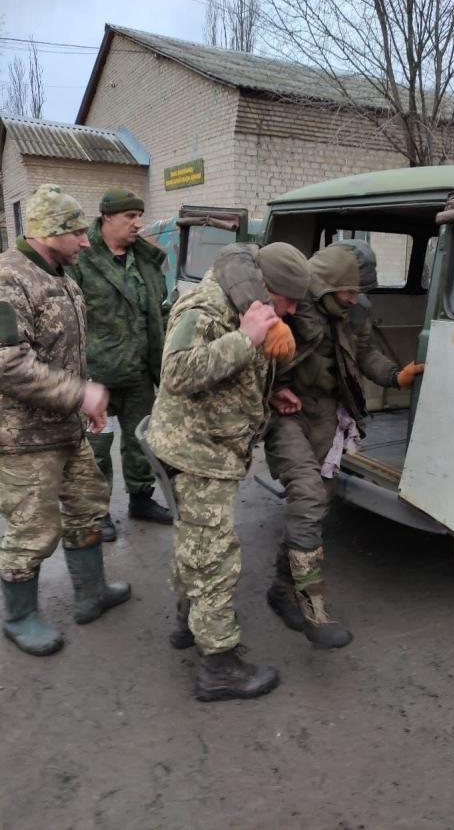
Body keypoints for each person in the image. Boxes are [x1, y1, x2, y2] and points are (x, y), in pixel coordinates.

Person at [145, 241, 310, 702]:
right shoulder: (207, 306)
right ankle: (219, 667)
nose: (293, 310)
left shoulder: (251, 305)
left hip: (211, 447)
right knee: (216, 558)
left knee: (196, 543)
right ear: (267, 284)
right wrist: (246, 340)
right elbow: (177, 372)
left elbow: (231, 375)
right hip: (197, 452)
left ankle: (187, 622)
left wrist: (269, 396)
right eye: (289, 300)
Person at [264, 239, 424, 649]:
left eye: (359, 292)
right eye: (349, 291)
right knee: (307, 495)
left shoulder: (356, 311)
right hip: (285, 412)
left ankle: (284, 588)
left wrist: (394, 376)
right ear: (326, 285)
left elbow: (365, 354)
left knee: (316, 504)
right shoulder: (292, 306)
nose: (355, 299)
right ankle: (311, 607)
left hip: (328, 415)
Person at [0, 184, 131, 657]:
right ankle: (18, 616)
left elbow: (69, 355)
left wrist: (86, 405)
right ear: (49, 233)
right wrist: (81, 394)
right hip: (23, 439)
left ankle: (91, 594)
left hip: (67, 429)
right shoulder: (8, 280)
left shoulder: (64, 276)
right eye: (77, 231)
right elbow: (8, 364)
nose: (86, 240)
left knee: (88, 506)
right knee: (31, 530)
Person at [68, 187, 172, 542]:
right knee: (97, 448)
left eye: (139, 216)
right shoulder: (81, 260)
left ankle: (140, 499)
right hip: (99, 377)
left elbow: (158, 309)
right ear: (107, 217)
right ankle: (98, 513)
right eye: (130, 216)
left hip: (140, 372)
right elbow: (69, 319)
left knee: (140, 441)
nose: (137, 224)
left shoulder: (144, 259)